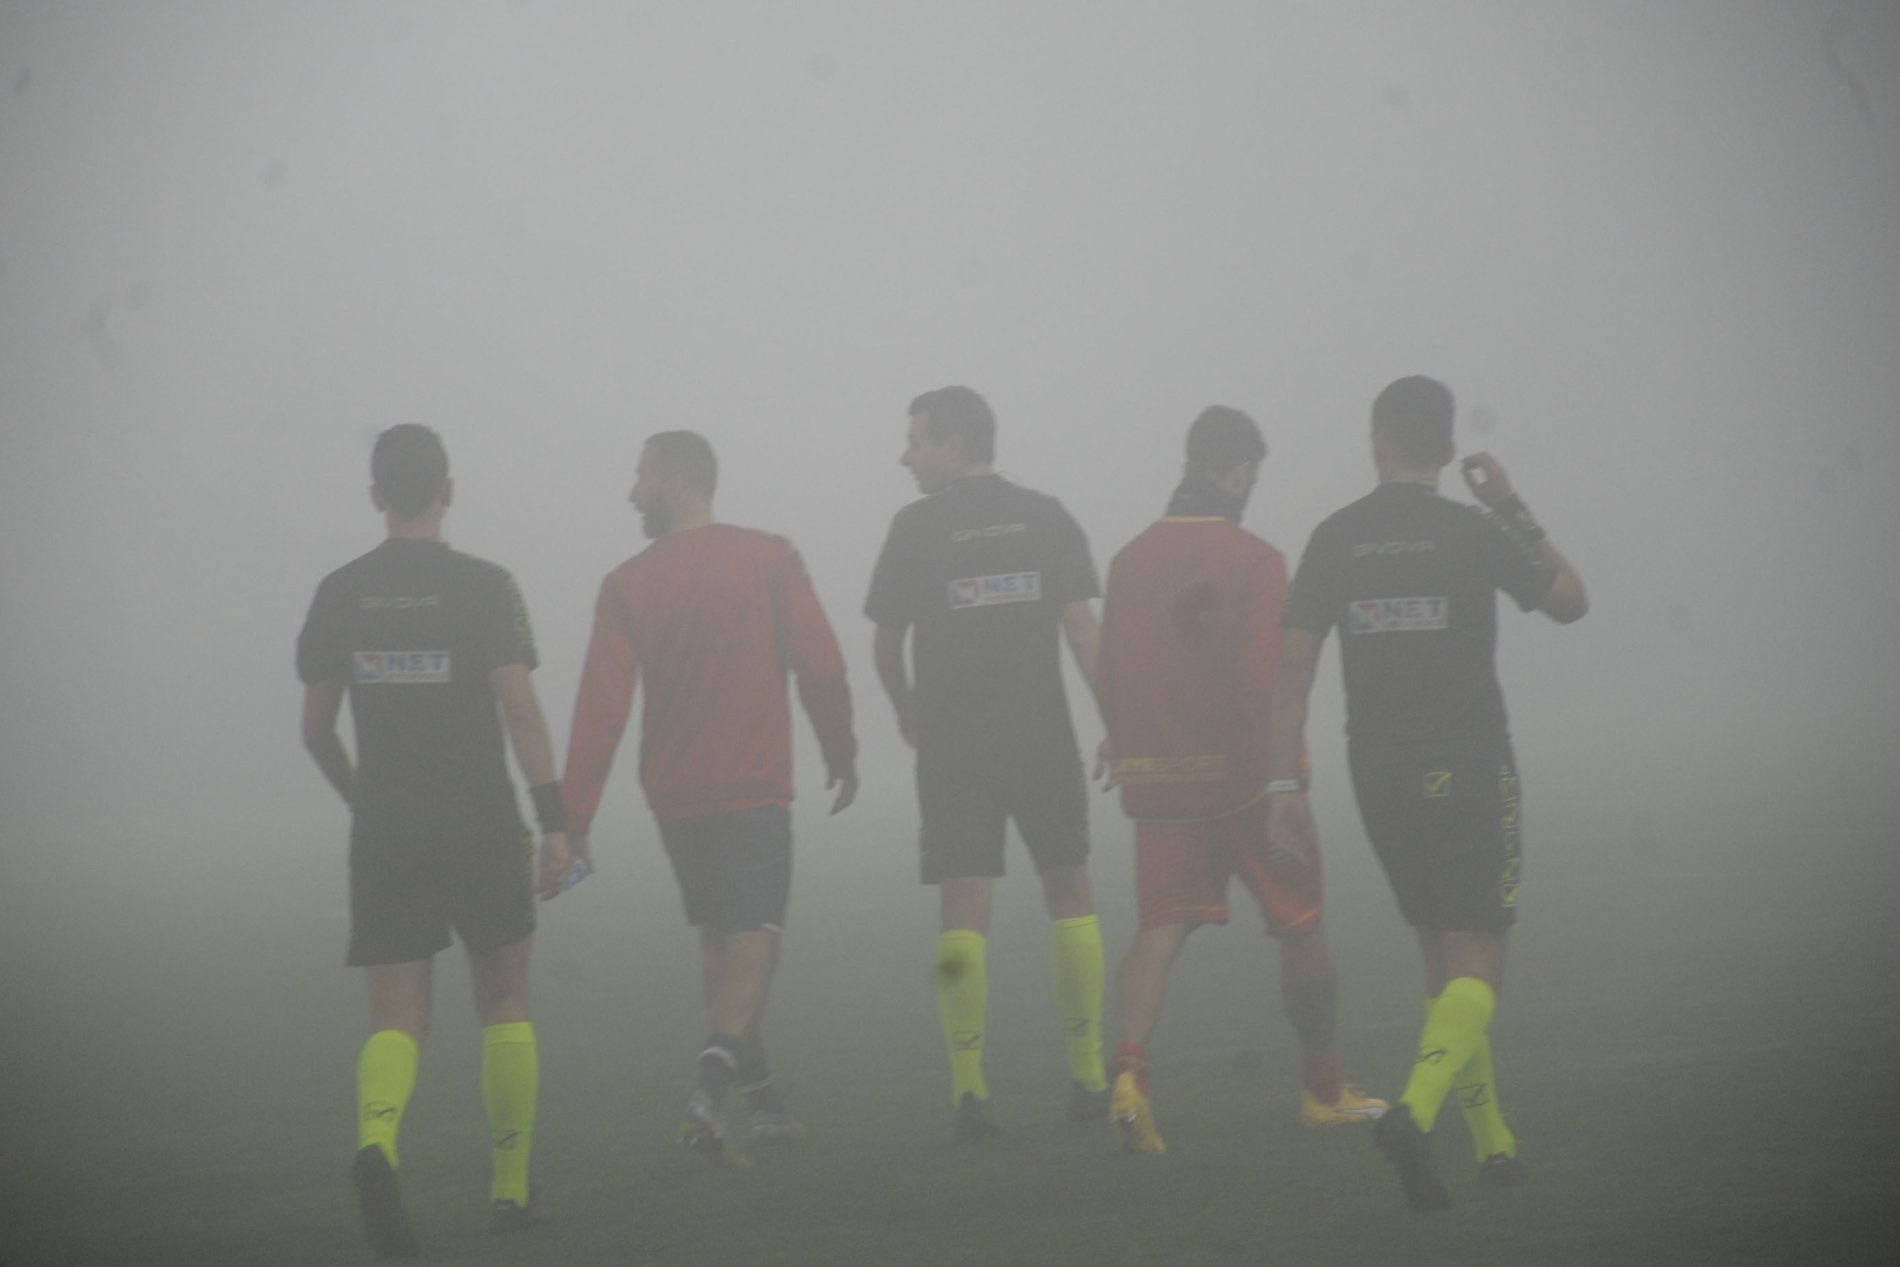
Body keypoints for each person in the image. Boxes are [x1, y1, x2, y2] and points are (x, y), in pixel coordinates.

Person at [1265, 376, 1588, 1210]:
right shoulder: (1473, 529)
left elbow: (1292, 666)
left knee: (1440, 954)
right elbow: (1571, 601)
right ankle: (1413, 1113)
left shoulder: (1336, 536)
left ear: (1376, 442)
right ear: (1446, 449)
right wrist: (1512, 505)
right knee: (1480, 950)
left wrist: (1282, 782)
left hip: (1379, 770)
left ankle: (1494, 1145)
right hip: (1470, 759)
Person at [297, 424, 570, 1259]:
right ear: (447, 489)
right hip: (482, 822)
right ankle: (511, 1188)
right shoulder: (485, 586)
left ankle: (378, 1143)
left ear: (376, 494)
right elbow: (518, 708)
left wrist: (364, 800)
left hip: (387, 830)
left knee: (397, 1017)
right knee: (505, 999)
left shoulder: (340, 591)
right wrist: (555, 822)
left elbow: (315, 731)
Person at [1096, 407, 1387, 1155]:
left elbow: (1111, 665)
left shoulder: (1129, 558)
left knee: (1158, 931)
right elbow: (1265, 679)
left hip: (1161, 780)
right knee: (1302, 924)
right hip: (1247, 783)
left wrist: (1122, 737)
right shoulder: (1256, 559)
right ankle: (1325, 1089)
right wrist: (1288, 781)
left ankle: (1129, 1076)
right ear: (1238, 472)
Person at [563, 430, 858, 1165]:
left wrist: (574, 816)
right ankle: (707, 1091)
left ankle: (764, 1107)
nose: (632, 491)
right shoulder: (769, 557)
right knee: (755, 939)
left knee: (720, 941)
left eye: (640, 475)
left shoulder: (627, 583)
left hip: (675, 796)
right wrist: (840, 748)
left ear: (675, 478)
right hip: (752, 785)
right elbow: (822, 665)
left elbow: (600, 708)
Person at [865, 385, 1109, 1141]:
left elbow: (885, 645)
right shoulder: (1046, 515)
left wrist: (906, 708)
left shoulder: (914, 528)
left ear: (956, 444)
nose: (904, 456)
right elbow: (1082, 629)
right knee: (1069, 889)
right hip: (1042, 738)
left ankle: (969, 1092)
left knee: (963, 908)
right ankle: (1089, 1077)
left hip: (953, 748)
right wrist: (1120, 723)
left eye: (916, 440)